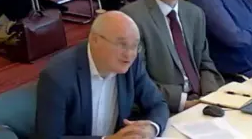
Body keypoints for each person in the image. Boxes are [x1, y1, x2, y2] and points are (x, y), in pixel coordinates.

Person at [121, 0, 224, 113]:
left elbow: (205, 62)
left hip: (202, 103)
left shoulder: (194, 14)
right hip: (165, 108)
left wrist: (209, 96)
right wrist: (184, 102)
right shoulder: (132, 20)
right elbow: (138, 82)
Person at [35, 11, 169, 139]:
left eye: (134, 46)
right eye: (122, 45)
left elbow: (158, 104)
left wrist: (151, 128)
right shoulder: (58, 76)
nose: (129, 54)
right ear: (94, 40)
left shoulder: (132, 65)